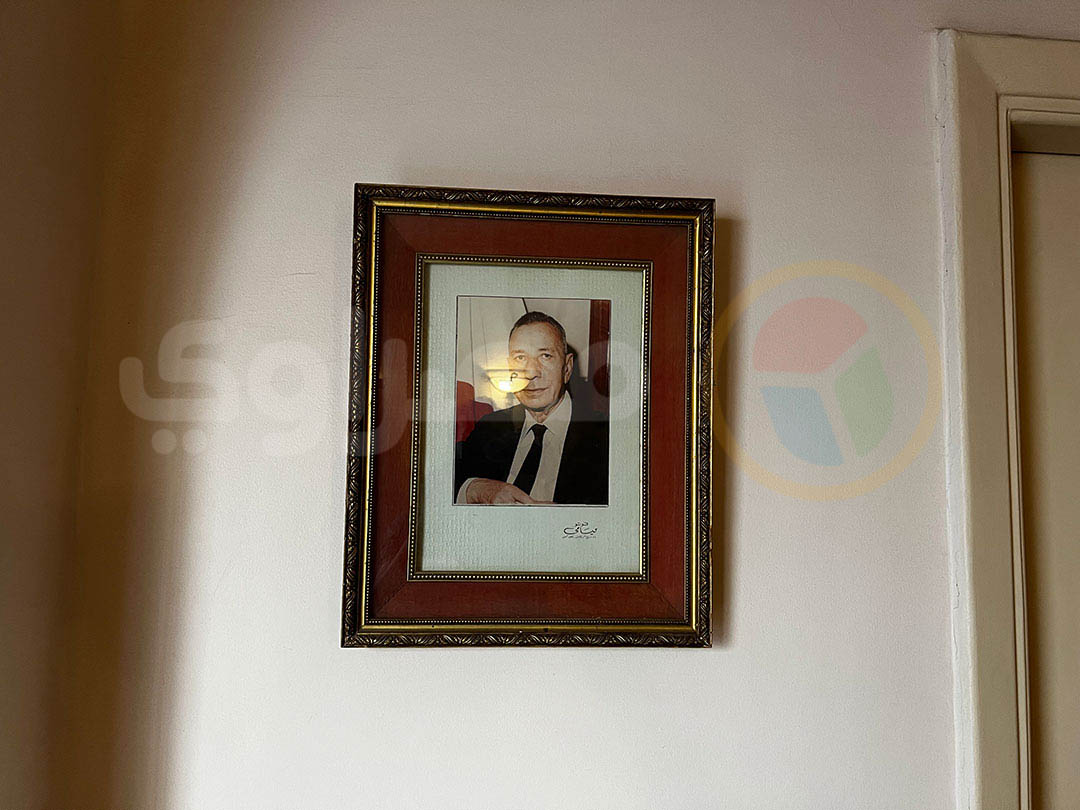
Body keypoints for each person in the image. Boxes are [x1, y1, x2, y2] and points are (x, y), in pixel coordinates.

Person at [454, 310, 608, 505]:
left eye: (545, 356)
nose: (531, 372)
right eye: (520, 358)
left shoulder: (607, 437)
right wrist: (474, 489)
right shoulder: (490, 425)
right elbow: (439, 482)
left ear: (567, 368)